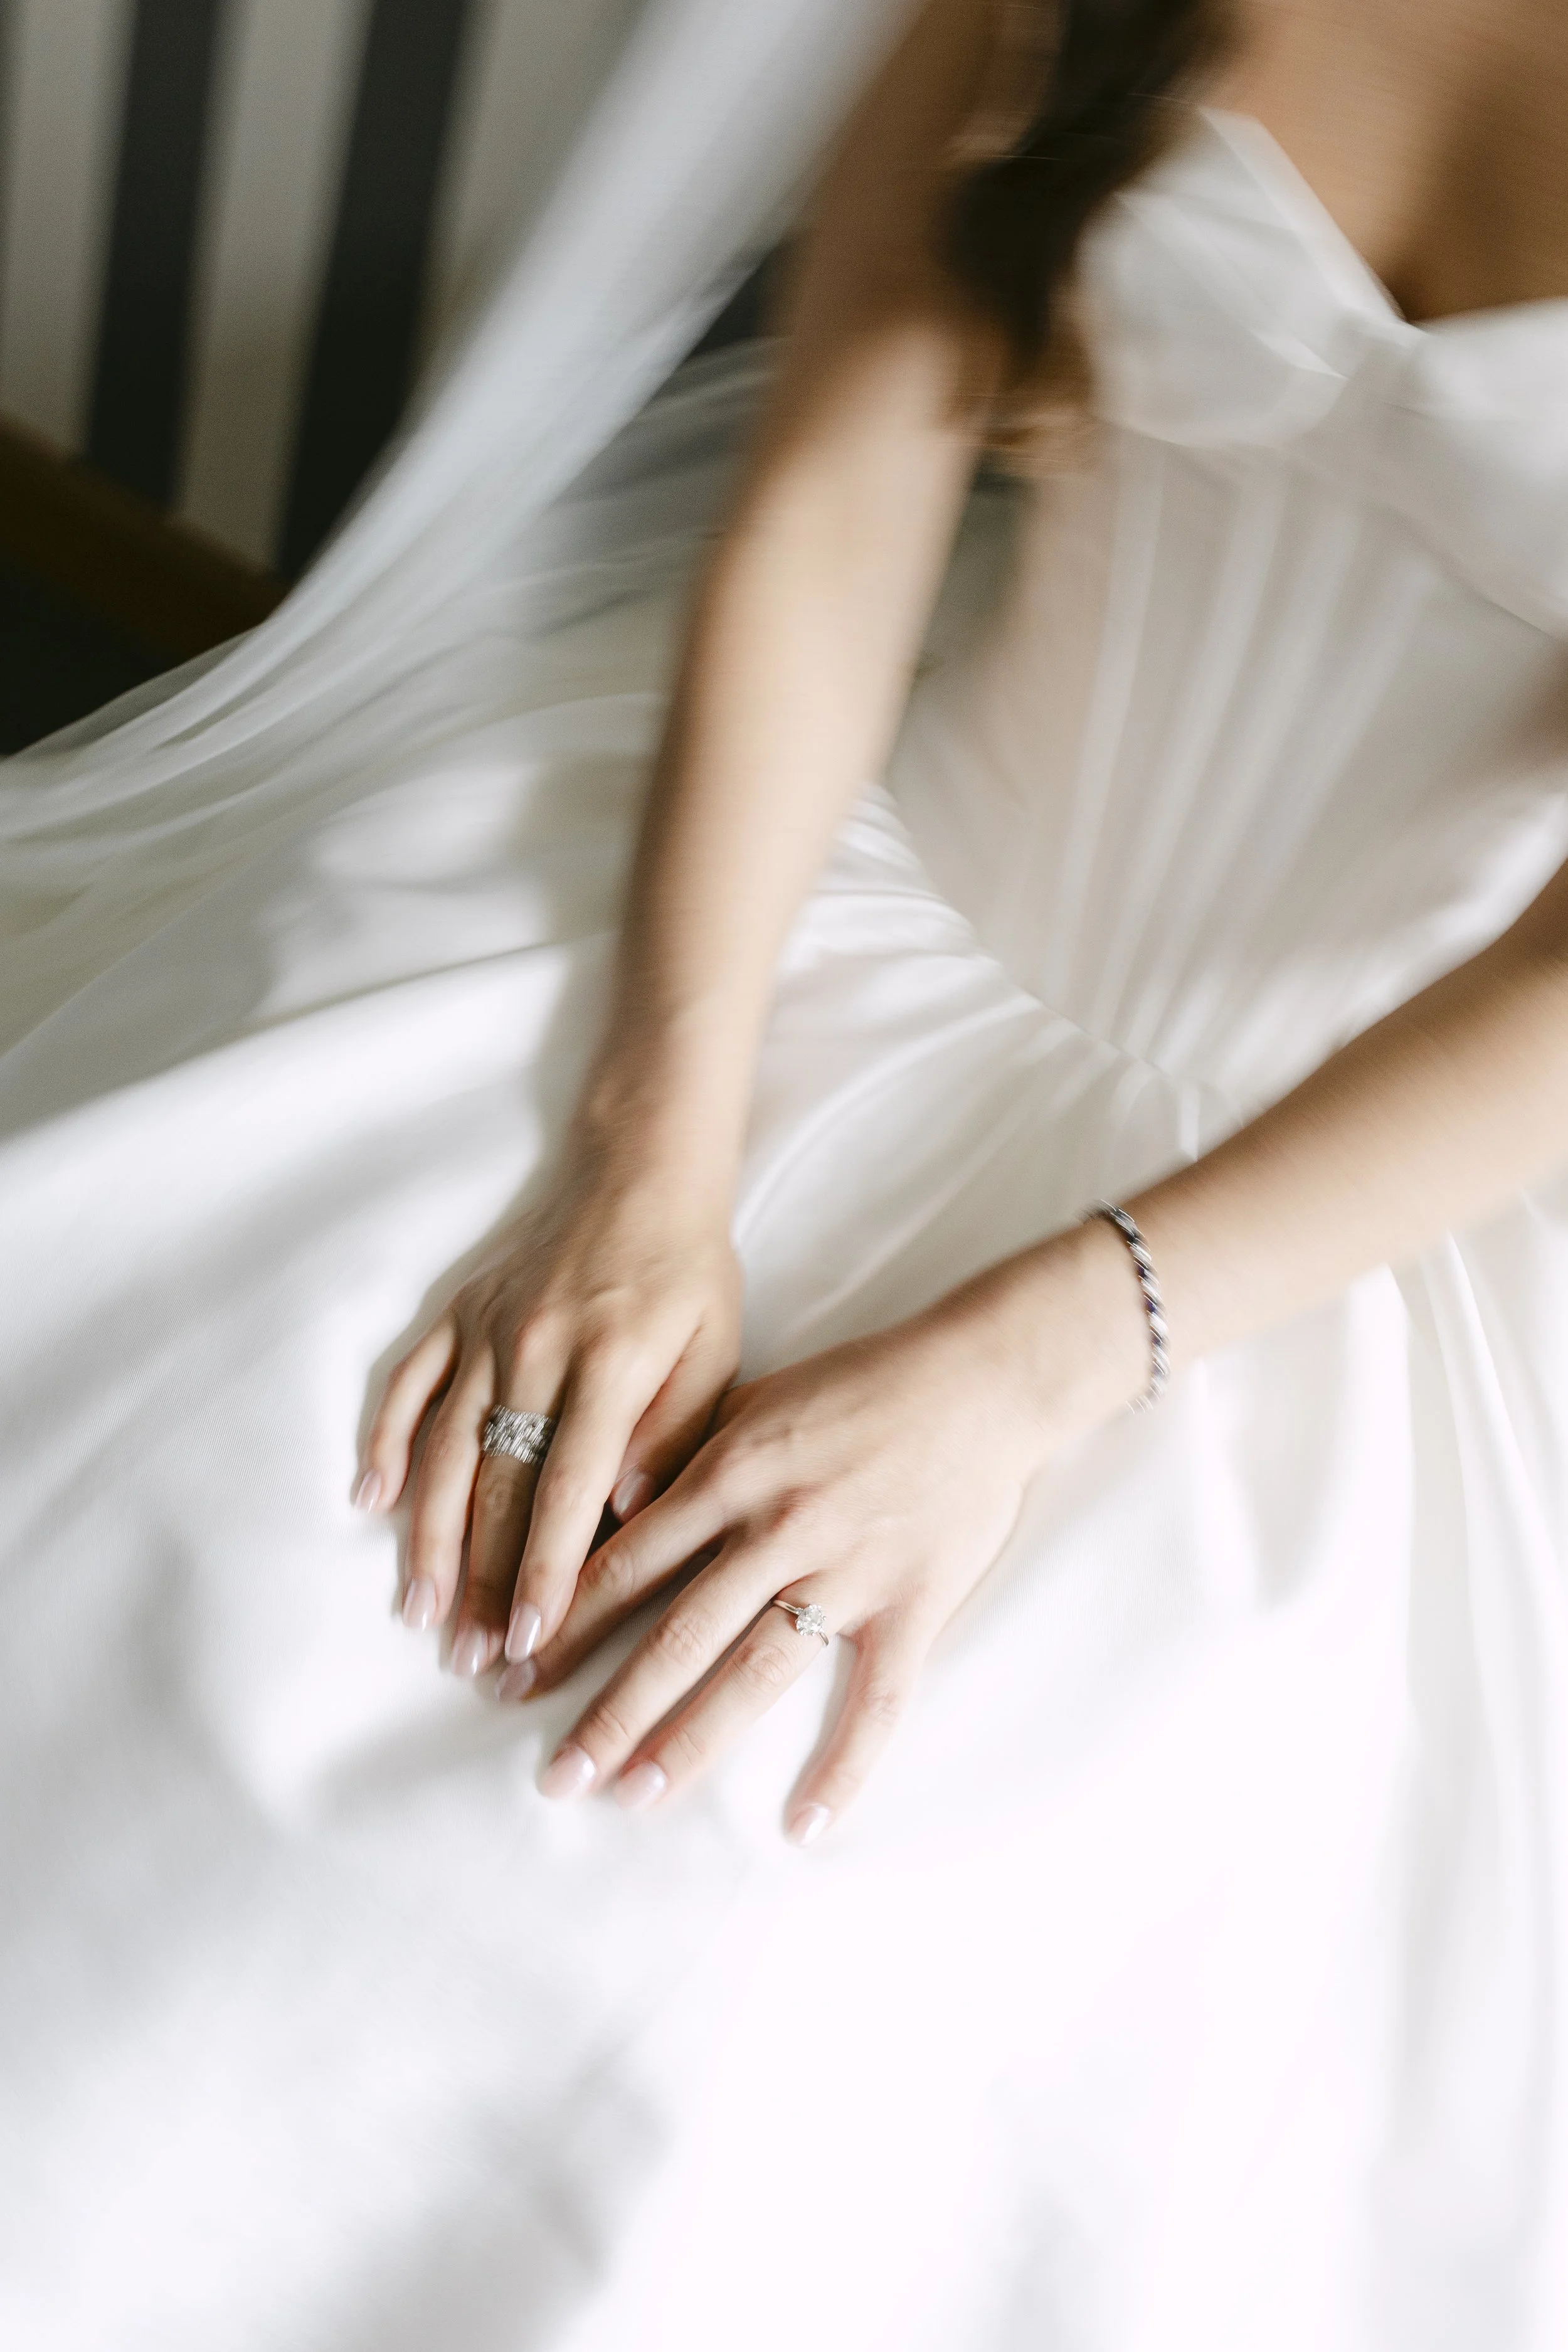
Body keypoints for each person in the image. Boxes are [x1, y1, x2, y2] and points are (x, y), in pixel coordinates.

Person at [3, 0, 1567, 2344]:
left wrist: (1040, 1357)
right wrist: (648, 1152)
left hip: (1341, 1187)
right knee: (243, 1521)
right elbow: (844, 488)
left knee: (772, 1943)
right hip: (823, 892)